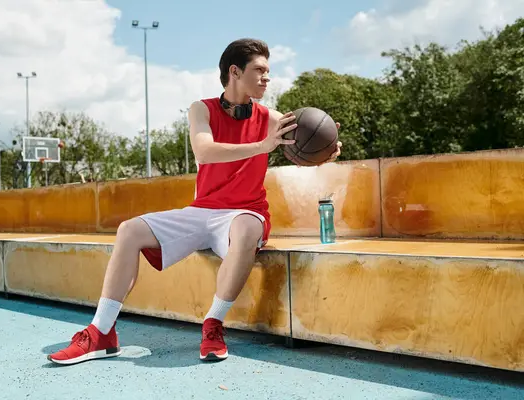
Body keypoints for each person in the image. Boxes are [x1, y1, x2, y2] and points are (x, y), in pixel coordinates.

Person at [47, 38, 342, 365]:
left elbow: (306, 142)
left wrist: (326, 151)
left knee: (245, 229)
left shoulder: (273, 119)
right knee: (129, 230)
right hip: (202, 212)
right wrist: (262, 146)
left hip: (245, 213)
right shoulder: (201, 109)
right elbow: (204, 151)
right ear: (234, 71)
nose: (266, 78)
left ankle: (213, 324)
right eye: (259, 70)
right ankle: (101, 332)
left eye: (267, 71)